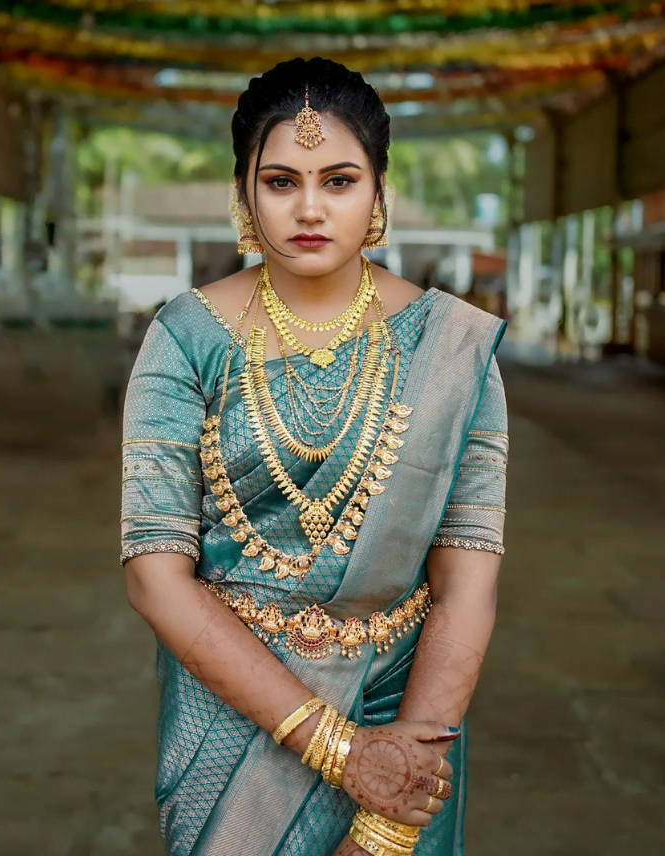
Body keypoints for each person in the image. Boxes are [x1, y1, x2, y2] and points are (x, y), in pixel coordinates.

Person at [121, 57, 508, 856]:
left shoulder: (455, 351)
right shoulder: (184, 340)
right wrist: (337, 751)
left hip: (407, 713)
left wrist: (393, 796)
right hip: (227, 720)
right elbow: (155, 576)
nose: (307, 208)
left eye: (337, 180)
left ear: (378, 195)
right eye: (279, 181)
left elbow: (466, 582)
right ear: (242, 194)